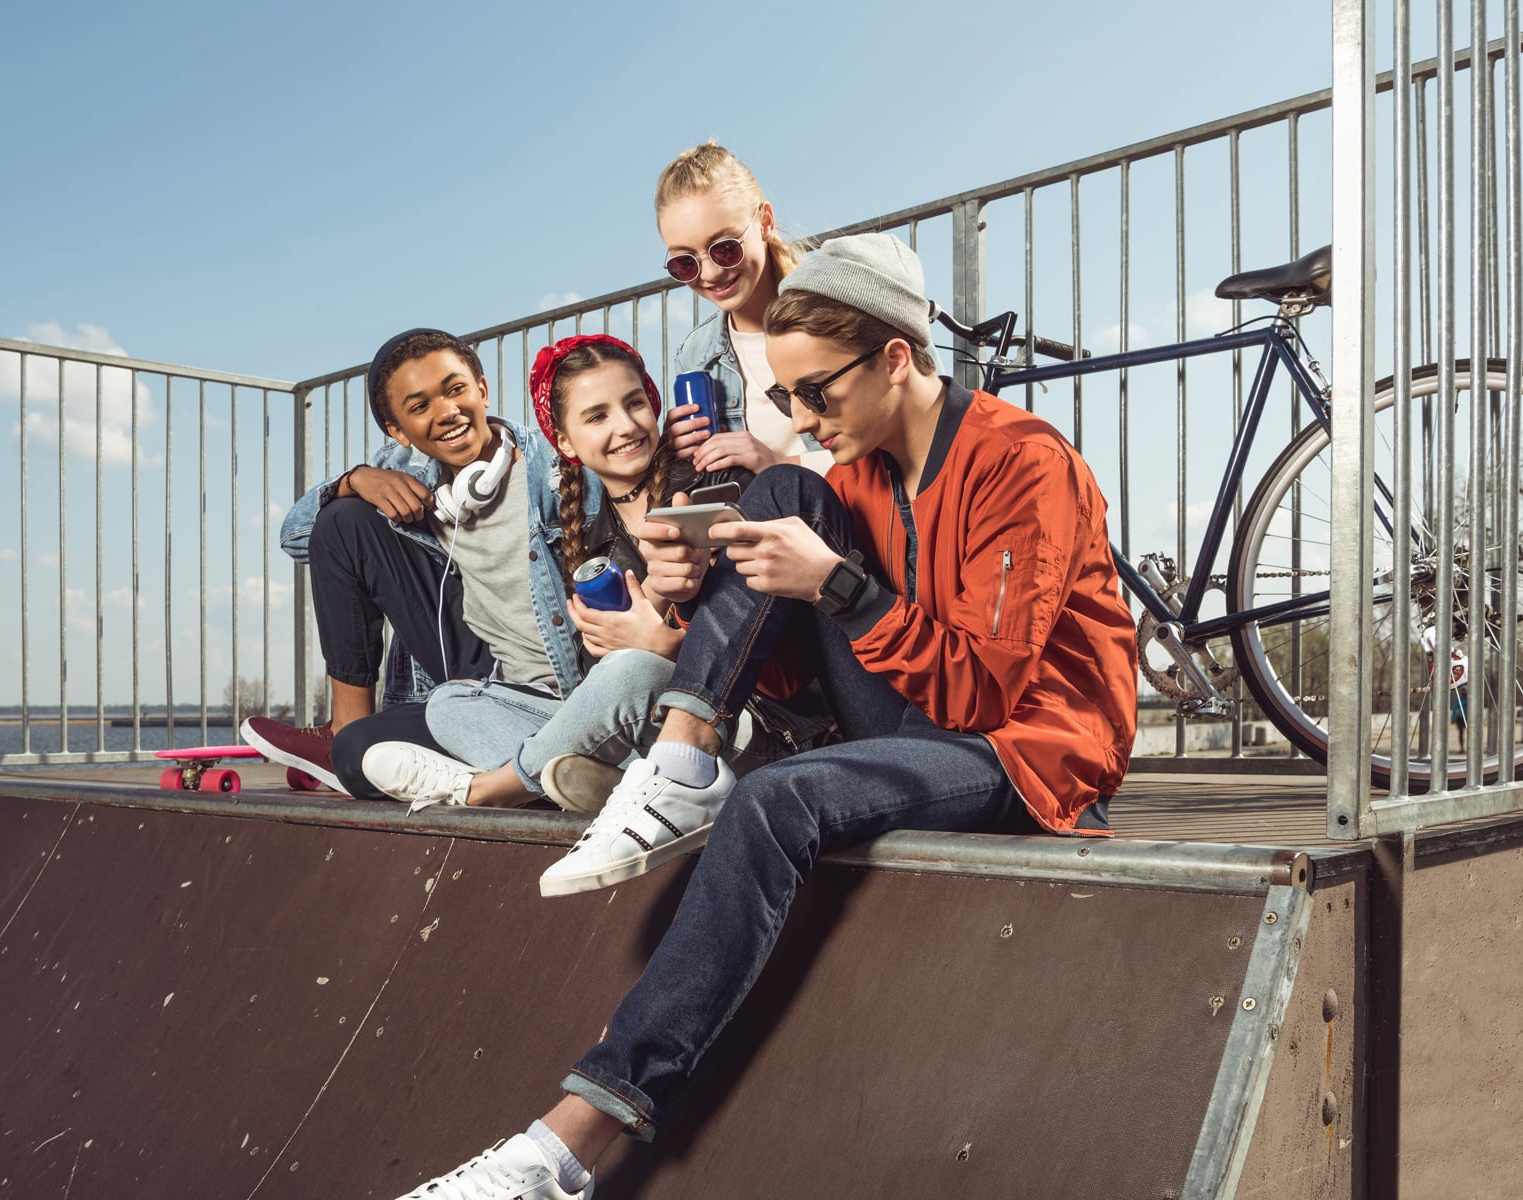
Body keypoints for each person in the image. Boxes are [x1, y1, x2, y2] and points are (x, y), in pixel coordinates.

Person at [389, 234, 1139, 1199]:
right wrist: (701, 590)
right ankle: (679, 758)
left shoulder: (1020, 461)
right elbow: (803, 669)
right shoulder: (856, 472)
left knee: (780, 800)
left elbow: (982, 693)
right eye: (785, 398)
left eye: (816, 393)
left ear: (898, 358)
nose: (802, 415)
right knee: (777, 491)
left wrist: (839, 588)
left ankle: (563, 1150)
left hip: (1025, 751)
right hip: (909, 723)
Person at [361, 334, 825, 813]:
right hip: (647, 729)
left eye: (634, 404)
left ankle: (489, 789)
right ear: (564, 441)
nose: (625, 427)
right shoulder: (585, 542)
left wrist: (664, 642)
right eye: (597, 416)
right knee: (450, 703)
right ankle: (620, 784)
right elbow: (597, 691)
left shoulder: (714, 484)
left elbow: (775, 643)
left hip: (756, 729)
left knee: (631, 669)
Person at [242, 328, 588, 799]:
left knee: (375, 764)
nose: (447, 412)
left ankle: (512, 777)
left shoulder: (557, 467)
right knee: (353, 750)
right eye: (420, 406)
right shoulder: (411, 477)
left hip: (570, 689)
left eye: (455, 389)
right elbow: (298, 537)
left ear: (482, 390)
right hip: (477, 687)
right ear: (399, 432)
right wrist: (353, 481)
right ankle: (350, 727)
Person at [656, 141, 834, 479]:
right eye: (684, 263)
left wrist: (777, 465)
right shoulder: (696, 355)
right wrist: (675, 453)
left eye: (724, 249)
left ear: (766, 222)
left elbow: (910, 436)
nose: (709, 274)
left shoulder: (841, 310)